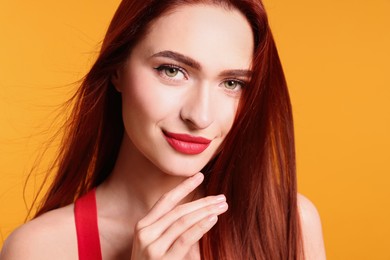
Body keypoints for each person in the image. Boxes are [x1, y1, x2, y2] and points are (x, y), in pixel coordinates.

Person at [0, 0, 326, 259]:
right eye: (172, 70)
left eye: (232, 83)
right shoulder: (39, 250)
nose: (200, 115)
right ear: (117, 70)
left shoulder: (288, 223)